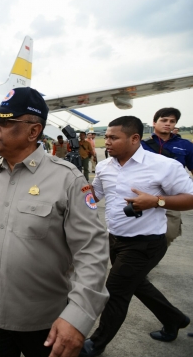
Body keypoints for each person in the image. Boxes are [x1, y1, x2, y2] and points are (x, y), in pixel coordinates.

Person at [0, 87, 109, 357]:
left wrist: (78, 316)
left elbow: (92, 251)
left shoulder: (67, 179)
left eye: (4, 122)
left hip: (44, 320)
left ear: (33, 131)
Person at [81, 116, 193, 357]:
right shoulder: (104, 166)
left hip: (146, 242)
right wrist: (78, 196)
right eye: (106, 137)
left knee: (115, 291)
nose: (106, 142)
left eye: (113, 138)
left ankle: (94, 345)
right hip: (115, 239)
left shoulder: (163, 166)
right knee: (138, 285)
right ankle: (174, 319)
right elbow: (95, 196)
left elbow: (190, 198)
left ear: (134, 139)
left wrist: (156, 201)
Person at [141, 107, 193, 246]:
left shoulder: (185, 145)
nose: (168, 123)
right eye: (164, 120)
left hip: (172, 196)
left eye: (172, 121)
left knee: (169, 232)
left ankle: (155, 252)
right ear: (154, 123)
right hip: (145, 193)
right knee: (138, 232)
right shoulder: (141, 145)